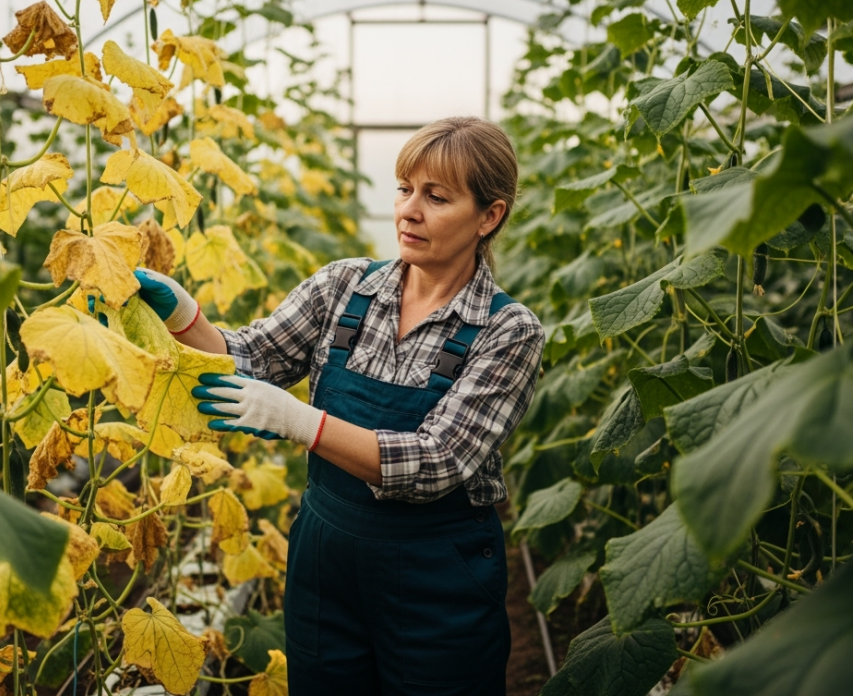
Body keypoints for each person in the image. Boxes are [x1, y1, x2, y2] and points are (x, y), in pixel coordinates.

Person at [132, 116, 545, 696]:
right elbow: (254, 356)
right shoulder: (344, 286)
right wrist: (184, 317)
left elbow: (438, 462)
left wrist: (300, 420)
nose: (409, 210)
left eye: (437, 197)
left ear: (490, 216)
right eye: (405, 189)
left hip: (436, 584)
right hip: (325, 569)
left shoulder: (508, 331)